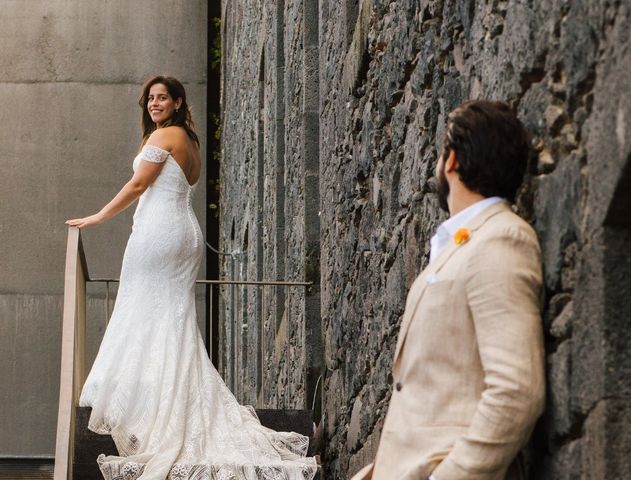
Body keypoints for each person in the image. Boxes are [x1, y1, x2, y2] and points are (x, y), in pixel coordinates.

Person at [66, 76, 317, 480]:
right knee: (170, 321)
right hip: (180, 232)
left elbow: (138, 183)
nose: (154, 103)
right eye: (150, 98)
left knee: (146, 312)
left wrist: (97, 217)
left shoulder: (168, 135)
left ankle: (157, 409)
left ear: (179, 102)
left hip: (162, 233)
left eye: (162, 97)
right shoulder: (190, 142)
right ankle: (164, 403)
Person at [351, 100, 545, 480]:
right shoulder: (460, 245)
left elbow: (517, 390)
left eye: (441, 154)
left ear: (452, 159)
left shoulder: (501, 239)